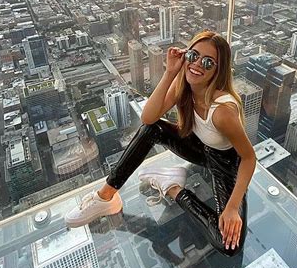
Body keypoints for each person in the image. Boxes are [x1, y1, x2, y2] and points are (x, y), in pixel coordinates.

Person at [65, 30, 256, 256]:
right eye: (193, 56)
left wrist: (232, 207)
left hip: (226, 164)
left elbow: (248, 157)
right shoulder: (184, 85)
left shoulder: (223, 111)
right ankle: (105, 196)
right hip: (200, 149)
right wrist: (170, 72)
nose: (197, 65)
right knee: (152, 129)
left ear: (218, 70)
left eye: (208, 62)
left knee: (228, 246)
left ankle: (173, 188)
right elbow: (148, 118)